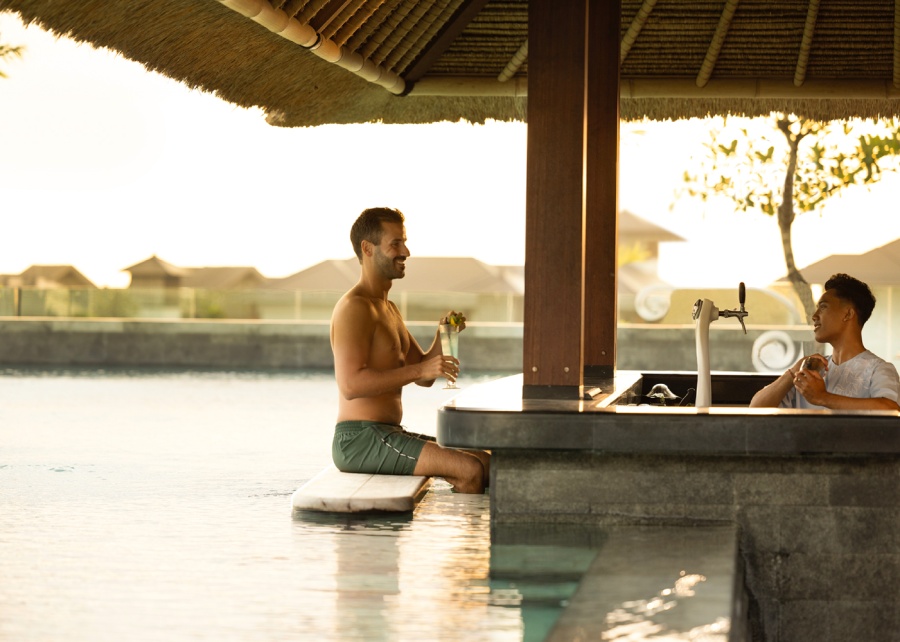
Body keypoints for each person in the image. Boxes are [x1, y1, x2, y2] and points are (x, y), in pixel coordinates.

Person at [329, 207, 490, 493]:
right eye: (396, 243)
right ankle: (462, 538)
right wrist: (421, 369)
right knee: (469, 470)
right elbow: (351, 384)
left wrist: (445, 334)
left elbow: (424, 377)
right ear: (368, 249)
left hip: (387, 434)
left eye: (404, 241)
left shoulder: (388, 309)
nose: (406, 251)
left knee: (484, 460)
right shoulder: (355, 308)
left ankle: (470, 528)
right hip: (359, 439)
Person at [750, 273, 900, 411]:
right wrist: (792, 372)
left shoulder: (878, 369)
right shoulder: (809, 371)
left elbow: (891, 409)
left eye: (823, 307)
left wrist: (822, 398)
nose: (814, 316)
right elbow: (756, 408)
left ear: (848, 314)